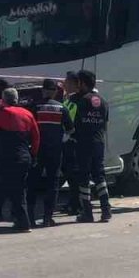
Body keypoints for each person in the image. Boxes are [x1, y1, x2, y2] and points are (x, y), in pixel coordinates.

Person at [0, 87, 39, 232]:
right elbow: (36, 137)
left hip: (8, 158)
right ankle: (12, 222)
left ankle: (20, 223)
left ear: (3, 99)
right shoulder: (28, 114)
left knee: (1, 189)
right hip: (24, 157)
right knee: (14, 190)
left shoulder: (4, 113)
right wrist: (33, 155)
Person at [27, 77, 73, 227]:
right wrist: (62, 139)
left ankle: (30, 216)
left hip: (37, 149)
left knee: (32, 182)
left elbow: (28, 128)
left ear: (42, 91)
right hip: (55, 150)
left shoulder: (35, 107)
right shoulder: (61, 108)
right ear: (54, 92)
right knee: (52, 183)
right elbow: (70, 129)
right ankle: (48, 217)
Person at [71, 69, 111, 223]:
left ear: (82, 83)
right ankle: (106, 209)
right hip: (98, 142)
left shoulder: (79, 101)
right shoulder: (104, 102)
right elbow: (105, 125)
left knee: (84, 177)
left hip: (83, 142)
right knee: (99, 175)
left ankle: (87, 211)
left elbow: (71, 122)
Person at [61, 70, 81, 215]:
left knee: (73, 175)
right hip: (71, 142)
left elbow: (69, 123)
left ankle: (76, 204)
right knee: (71, 175)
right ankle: (74, 203)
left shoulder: (74, 102)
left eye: (67, 82)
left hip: (72, 142)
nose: (64, 84)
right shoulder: (69, 100)